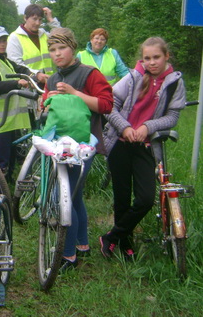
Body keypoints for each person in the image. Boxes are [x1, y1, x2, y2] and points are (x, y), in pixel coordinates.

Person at [100, 37, 186, 260]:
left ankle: (112, 236)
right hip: (120, 143)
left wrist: (148, 126)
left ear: (167, 56)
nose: (152, 62)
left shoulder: (175, 82)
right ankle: (125, 243)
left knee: (146, 199)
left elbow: (173, 116)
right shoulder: (132, 77)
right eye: (147, 58)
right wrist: (125, 127)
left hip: (146, 147)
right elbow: (110, 105)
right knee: (122, 197)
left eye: (156, 57)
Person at [42, 28, 113, 270]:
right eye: (52, 49)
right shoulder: (53, 78)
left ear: (73, 48)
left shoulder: (89, 74)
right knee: (74, 195)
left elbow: (105, 105)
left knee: (65, 199)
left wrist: (74, 93)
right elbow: (46, 109)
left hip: (84, 145)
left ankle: (68, 255)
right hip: (60, 145)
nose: (57, 54)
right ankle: (82, 244)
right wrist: (48, 101)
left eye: (61, 48)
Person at [0, 26, 34, 176]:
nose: (2, 44)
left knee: (11, 154)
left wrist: (33, 75)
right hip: (1, 118)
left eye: (4, 40)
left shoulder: (5, 60)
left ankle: (7, 186)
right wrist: (16, 83)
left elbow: (19, 69)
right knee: (2, 158)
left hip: (11, 117)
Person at [7, 4, 61, 87]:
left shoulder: (44, 35)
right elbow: (15, 64)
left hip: (48, 83)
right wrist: (36, 74)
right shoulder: (14, 38)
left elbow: (62, 39)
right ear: (25, 18)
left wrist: (51, 19)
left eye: (40, 19)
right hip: (28, 86)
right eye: (34, 19)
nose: (37, 23)